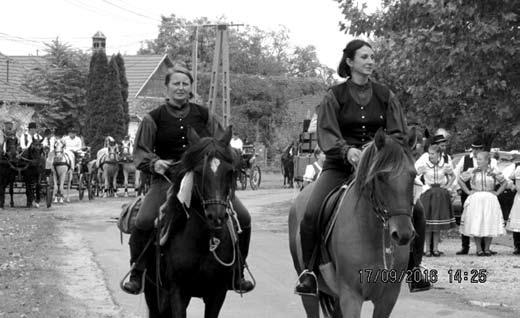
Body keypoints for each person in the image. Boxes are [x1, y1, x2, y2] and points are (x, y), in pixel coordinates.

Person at [294, 39, 431, 295]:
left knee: (418, 210)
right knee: (311, 212)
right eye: (364, 57)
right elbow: (327, 133)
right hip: (340, 165)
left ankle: (414, 268)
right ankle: (309, 273)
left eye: (372, 57)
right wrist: (347, 151)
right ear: (350, 62)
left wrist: (383, 151)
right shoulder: (333, 96)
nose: (370, 61)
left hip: (379, 167)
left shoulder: (385, 94)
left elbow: (399, 133)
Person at [122, 65, 254, 295]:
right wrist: (155, 163)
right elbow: (140, 152)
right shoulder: (153, 118)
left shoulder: (204, 115)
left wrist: (231, 159)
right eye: (176, 83)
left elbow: (222, 144)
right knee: (144, 220)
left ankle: (238, 272)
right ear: (167, 87)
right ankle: (137, 273)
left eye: (185, 84)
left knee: (243, 217)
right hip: (168, 179)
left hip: (205, 178)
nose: (181, 88)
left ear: (190, 88)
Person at [453, 137, 499, 255]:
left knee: (485, 219)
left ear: (482, 149)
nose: (475, 151)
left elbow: (498, 176)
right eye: (474, 148)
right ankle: (465, 246)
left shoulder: (491, 161)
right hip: (471, 193)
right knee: (470, 219)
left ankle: (485, 247)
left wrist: (494, 190)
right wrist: (461, 189)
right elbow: (457, 174)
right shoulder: (465, 158)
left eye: (478, 148)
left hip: (486, 193)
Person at [458, 151, 506, 256]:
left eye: (480, 159)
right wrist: (468, 191)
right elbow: (460, 180)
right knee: (477, 221)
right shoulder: (473, 171)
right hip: (476, 198)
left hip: (490, 199)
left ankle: (487, 248)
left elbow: (504, 182)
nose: (478, 161)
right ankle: (479, 249)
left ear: (486, 161)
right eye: (477, 159)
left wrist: (497, 193)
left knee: (489, 222)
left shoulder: (493, 171)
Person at [415, 144, 456, 257]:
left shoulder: (445, 165)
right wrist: (423, 187)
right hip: (428, 194)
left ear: (438, 154)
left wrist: (447, 187)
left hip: (440, 194)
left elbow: (453, 176)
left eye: (432, 153)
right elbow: (415, 176)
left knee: (436, 223)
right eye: (429, 153)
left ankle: (436, 249)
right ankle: (427, 249)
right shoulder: (425, 165)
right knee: (428, 223)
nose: (430, 156)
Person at [505, 157, 520, 255]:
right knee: (518, 224)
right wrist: (512, 186)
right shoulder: (518, 167)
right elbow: (506, 177)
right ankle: (518, 246)